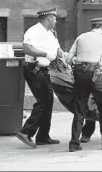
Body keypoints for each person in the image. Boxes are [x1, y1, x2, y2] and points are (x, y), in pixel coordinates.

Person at [65, 17, 102, 152]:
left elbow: (68, 60)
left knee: (79, 109)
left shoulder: (80, 37)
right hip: (97, 74)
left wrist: (80, 61)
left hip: (79, 74)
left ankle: (74, 143)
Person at [16, 8, 68, 148]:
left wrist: (66, 56)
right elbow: (26, 48)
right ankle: (26, 132)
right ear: (49, 18)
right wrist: (45, 54)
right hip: (34, 69)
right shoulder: (34, 31)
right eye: (55, 18)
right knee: (43, 101)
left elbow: (57, 50)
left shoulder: (51, 33)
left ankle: (43, 136)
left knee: (48, 101)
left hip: (45, 70)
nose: (56, 21)